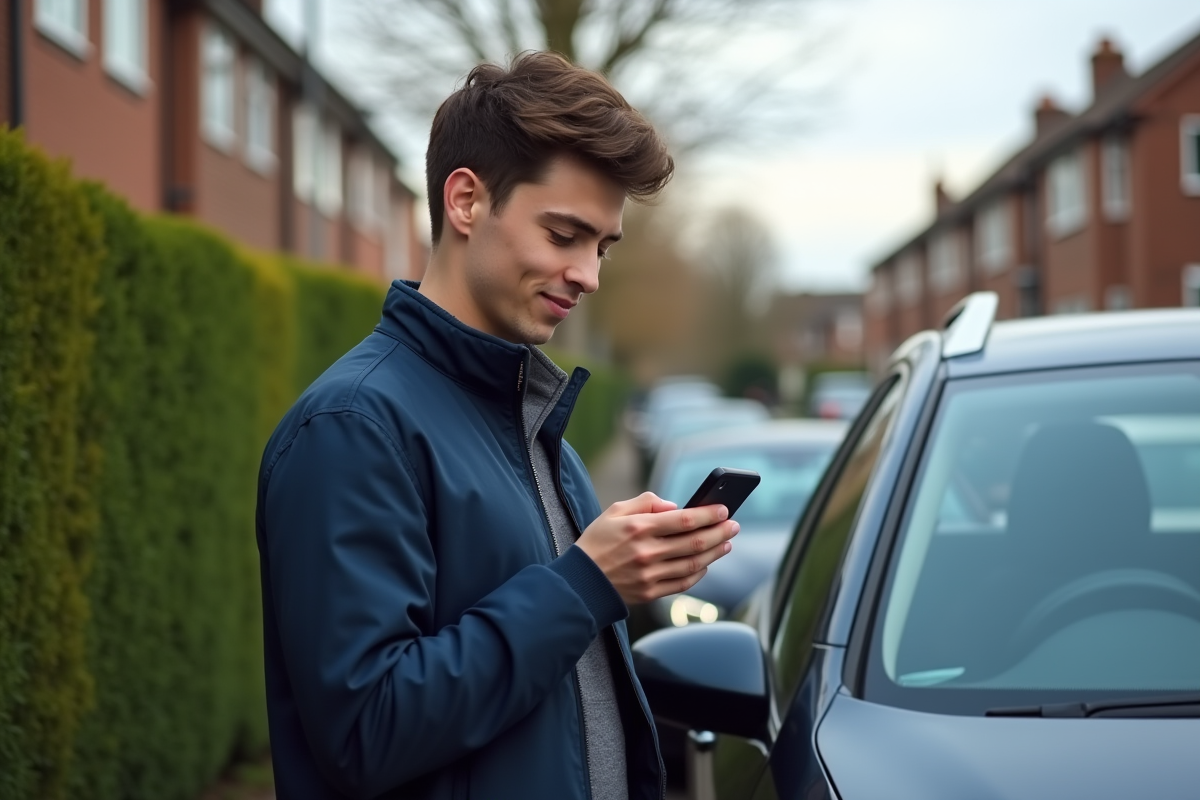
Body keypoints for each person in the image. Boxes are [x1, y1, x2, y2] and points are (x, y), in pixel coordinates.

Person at [255, 51, 740, 800]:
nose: (590, 274)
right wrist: (585, 583)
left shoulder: (535, 429)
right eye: (564, 234)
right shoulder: (351, 427)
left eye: (602, 246)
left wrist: (626, 572)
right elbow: (364, 731)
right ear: (466, 202)